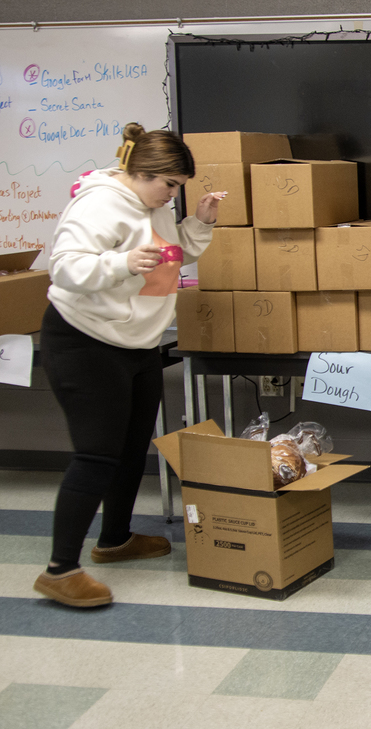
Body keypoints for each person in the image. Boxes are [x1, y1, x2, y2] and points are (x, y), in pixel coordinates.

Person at [33, 124, 225, 608]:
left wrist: (198, 224)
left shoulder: (151, 205)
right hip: (85, 341)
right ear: (141, 172)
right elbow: (65, 268)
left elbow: (167, 257)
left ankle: (115, 540)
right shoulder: (97, 203)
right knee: (97, 454)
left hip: (137, 342)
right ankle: (60, 570)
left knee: (131, 447)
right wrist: (121, 263)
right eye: (171, 185)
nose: (173, 195)